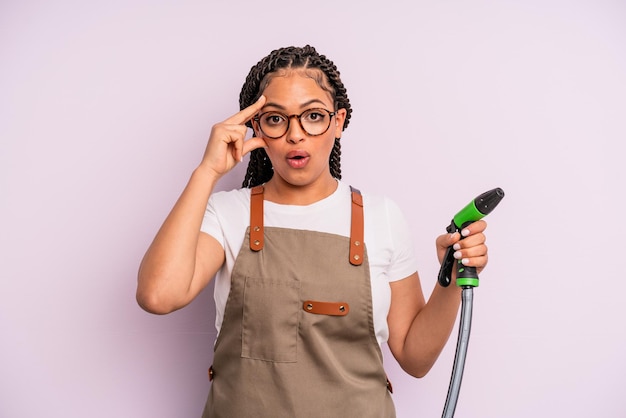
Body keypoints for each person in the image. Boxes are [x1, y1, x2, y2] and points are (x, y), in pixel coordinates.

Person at [136, 45, 489, 417]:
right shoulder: (227, 213)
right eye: (276, 119)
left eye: (313, 116)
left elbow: (416, 358)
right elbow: (158, 296)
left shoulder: (381, 216)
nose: (295, 135)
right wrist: (206, 172)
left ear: (337, 122)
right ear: (255, 127)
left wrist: (451, 274)